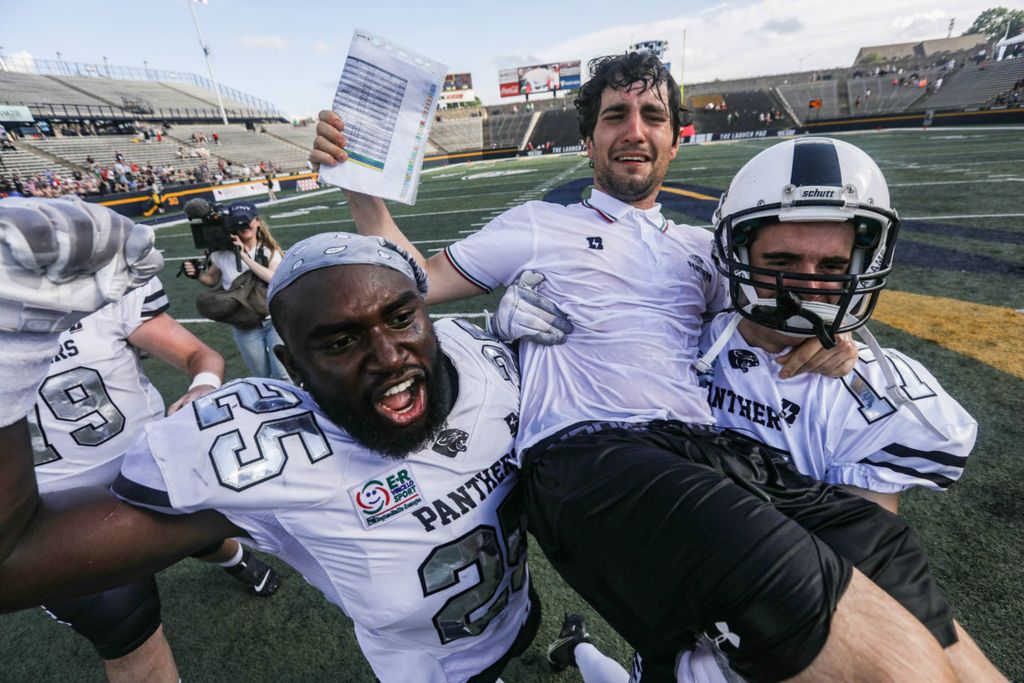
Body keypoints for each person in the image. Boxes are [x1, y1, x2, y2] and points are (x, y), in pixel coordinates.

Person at [309, 52, 983, 681]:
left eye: (652, 116)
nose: (635, 130)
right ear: (589, 140)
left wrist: (841, 334)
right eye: (615, 116)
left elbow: (784, 299)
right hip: (591, 458)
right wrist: (362, 192)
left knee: (887, 560)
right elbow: (409, 282)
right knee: (824, 609)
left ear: (675, 137)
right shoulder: (537, 226)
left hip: (706, 452)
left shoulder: (707, 248)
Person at [0, 208, 538, 682]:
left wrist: (554, 350)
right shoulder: (264, 453)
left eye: (400, 318)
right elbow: (17, 560)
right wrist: (11, 355)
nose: (390, 356)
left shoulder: (483, 358)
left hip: (519, 608)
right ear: (293, 368)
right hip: (426, 668)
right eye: (341, 341)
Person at [538, 139, 1002, 681]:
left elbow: (857, 579)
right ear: (738, 254)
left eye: (831, 265)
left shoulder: (873, 390)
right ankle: (582, 650)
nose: (806, 285)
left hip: (779, 635)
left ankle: (577, 649)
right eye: (781, 261)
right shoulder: (675, 342)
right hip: (680, 606)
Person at [9, 199, 280, 682]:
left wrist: (200, 389)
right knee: (123, 617)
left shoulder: (99, 291)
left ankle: (237, 559)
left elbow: (201, 356)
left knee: (205, 532)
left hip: (144, 462)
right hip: (50, 508)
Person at [182, 201, 289, 381]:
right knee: (262, 375)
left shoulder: (269, 250)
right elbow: (211, 280)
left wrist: (245, 257)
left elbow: (273, 278)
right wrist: (196, 274)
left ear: (256, 222)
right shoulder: (219, 254)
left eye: (246, 221)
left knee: (283, 374)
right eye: (237, 223)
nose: (243, 227)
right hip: (244, 324)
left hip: (274, 321)